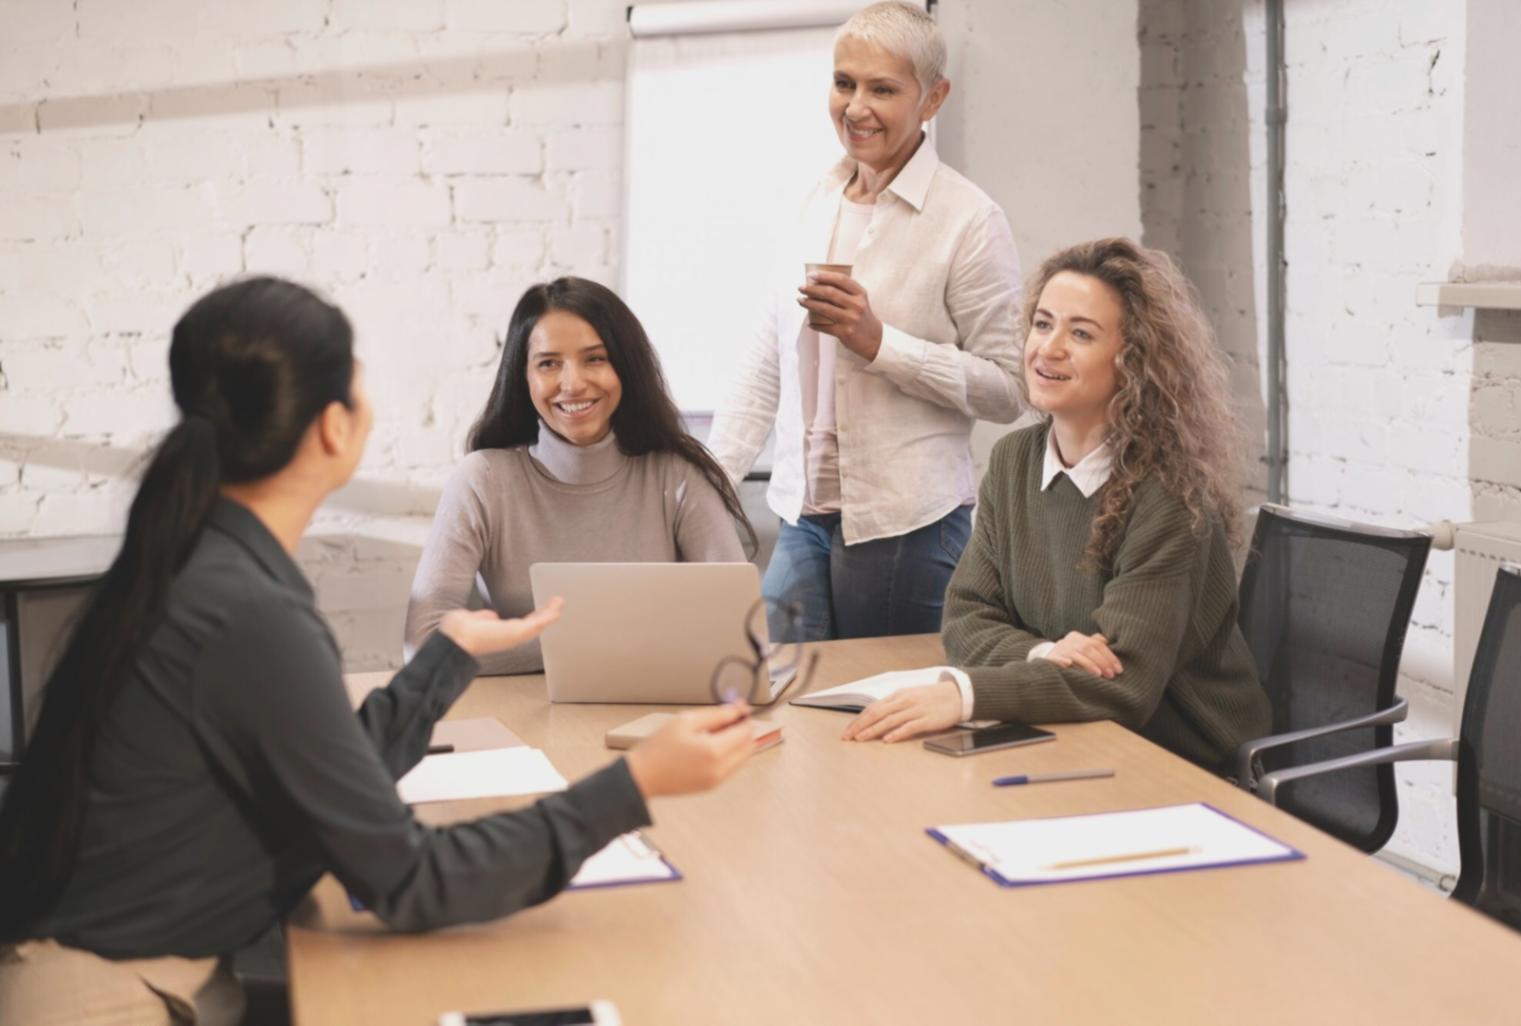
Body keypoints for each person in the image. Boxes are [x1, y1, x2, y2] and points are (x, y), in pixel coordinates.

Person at [0, 278, 757, 1026]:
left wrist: (447, 656)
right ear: (334, 428)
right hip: (115, 997)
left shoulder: (211, 565)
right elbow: (412, 882)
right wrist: (629, 787)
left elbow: (333, 774)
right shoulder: (252, 614)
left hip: (146, 966)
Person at [843, 238, 1272, 773]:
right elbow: (966, 618)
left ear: (1134, 359)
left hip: (1182, 758)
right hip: (1074, 736)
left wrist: (967, 694)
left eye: (1081, 333)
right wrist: (1043, 653)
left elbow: (1125, 686)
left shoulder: (1168, 492)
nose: (1048, 348)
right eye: (1043, 324)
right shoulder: (1014, 461)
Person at [708, 1, 1027, 641]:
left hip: (908, 525)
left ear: (933, 98)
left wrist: (880, 344)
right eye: (844, 82)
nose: (856, 107)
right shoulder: (813, 201)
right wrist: (708, 482)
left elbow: (1009, 389)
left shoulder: (969, 219)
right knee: (788, 705)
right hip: (802, 516)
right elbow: (767, 359)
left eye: (882, 88)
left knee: (883, 723)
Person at [405, 277, 753, 674]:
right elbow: (424, 645)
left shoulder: (677, 476)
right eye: (549, 363)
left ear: (626, 367)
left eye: (595, 359)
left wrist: (547, 642)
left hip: (651, 712)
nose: (572, 384)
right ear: (525, 377)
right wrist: (618, 643)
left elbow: (739, 631)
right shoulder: (483, 479)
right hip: (525, 715)